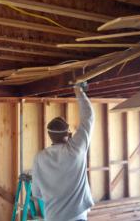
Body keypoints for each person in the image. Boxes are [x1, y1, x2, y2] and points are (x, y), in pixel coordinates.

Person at [32, 84, 94, 221]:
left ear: (50, 135)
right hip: (77, 216)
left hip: (53, 217)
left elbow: (36, 192)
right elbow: (88, 117)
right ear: (67, 133)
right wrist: (79, 92)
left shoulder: (39, 157)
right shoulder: (75, 150)